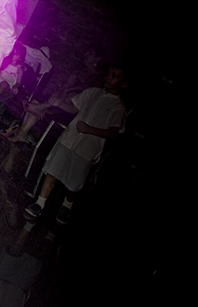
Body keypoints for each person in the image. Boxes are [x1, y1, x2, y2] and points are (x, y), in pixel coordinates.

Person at [25, 65, 127, 224]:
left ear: (124, 84)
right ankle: (40, 203)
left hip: (87, 149)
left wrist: (90, 129)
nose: (108, 77)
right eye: (109, 73)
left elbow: (113, 133)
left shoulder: (118, 107)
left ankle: (67, 204)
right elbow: (73, 108)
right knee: (53, 170)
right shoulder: (93, 92)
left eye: (114, 76)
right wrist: (59, 104)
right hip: (69, 139)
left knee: (74, 182)